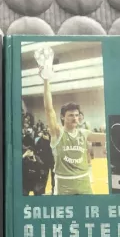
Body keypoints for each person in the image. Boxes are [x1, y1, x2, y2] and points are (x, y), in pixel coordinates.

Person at [36, 46, 104, 195]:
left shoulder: (84, 133)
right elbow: (49, 109)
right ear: (63, 117)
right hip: (64, 184)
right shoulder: (57, 132)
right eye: (71, 115)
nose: (75, 118)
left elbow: (106, 137)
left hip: (84, 182)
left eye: (77, 115)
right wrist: (46, 80)